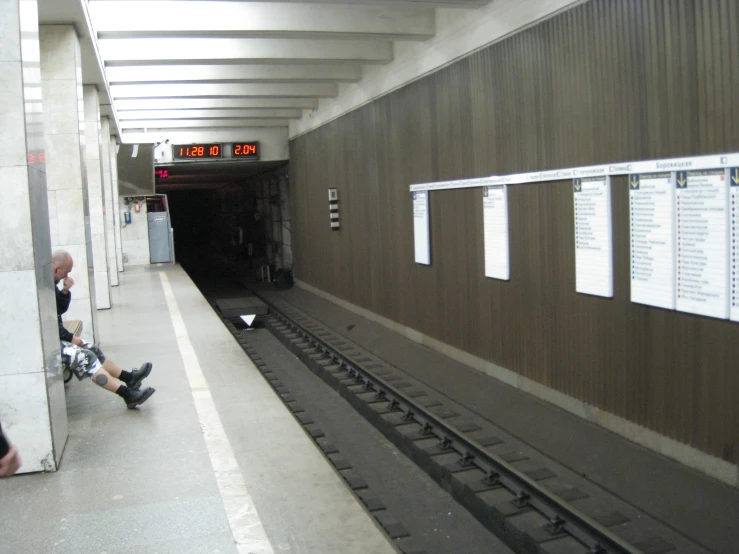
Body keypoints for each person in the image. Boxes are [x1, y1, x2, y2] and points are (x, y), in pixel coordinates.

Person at [53, 250, 155, 409]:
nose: (67, 275)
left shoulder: (50, 284)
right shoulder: (39, 287)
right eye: (66, 272)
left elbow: (58, 310)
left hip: (55, 337)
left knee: (91, 348)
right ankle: (127, 395)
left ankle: (129, 378)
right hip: (44, 344)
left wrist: (65, 291)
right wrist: (72, 338)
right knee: (85, 357)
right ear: (56, 269)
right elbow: (48, 323)